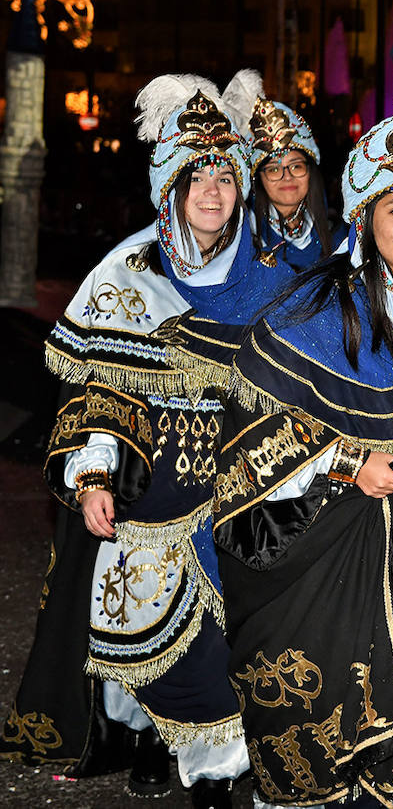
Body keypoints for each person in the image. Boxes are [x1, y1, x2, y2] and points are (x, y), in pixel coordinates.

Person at [2, 75, 293, 808]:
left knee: (243, 653)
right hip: (151, 503)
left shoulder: (274, 275)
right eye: (196, 175)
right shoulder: (126, 274)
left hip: (245, 499)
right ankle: (168, 748)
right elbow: (100, 388)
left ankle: (219, 777)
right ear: (169, 185)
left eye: (224, 173)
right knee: (158, 649)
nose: (213, 189)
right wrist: (93, 476)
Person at [210, 98, 393, 807]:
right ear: (366, 213)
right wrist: (347, 463)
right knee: (318, 706)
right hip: (321, 544)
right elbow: (251, 434)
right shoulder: (315, 307)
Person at [223, 69, 334, 269]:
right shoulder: (238, 239)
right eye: (274, 169)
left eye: (296, 166)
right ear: (258, 179)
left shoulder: (340, 236)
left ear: (310, 172)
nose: (287, 177)